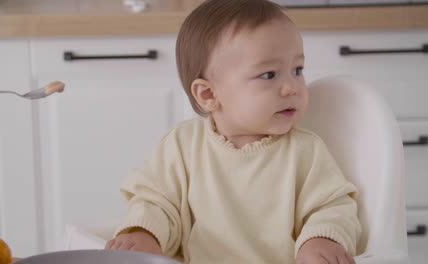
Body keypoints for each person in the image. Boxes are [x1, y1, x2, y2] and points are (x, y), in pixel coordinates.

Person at [105, 0, 361, 263]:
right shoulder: (182, 146)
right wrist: (144, 233)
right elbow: (156, 202)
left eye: (297, 70)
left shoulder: (306, 151)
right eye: (269, 75)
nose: (291, 87)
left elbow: (331, 206)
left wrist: (321, 239)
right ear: (208, 94)